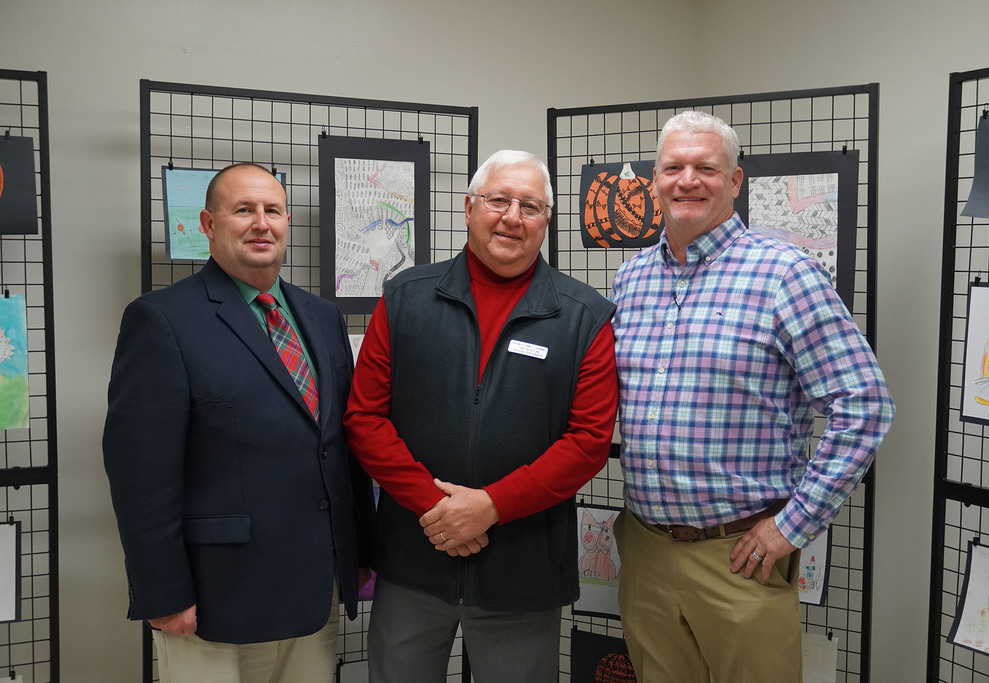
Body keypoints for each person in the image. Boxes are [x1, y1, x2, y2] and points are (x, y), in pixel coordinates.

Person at [611, 111, 895, 682]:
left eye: (706, 168)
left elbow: (864, 403)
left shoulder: (784, 274)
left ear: (735, 182)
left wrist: (794, 525)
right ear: (655, 180)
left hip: (740, 556)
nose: (687, 180)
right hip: (644, 548)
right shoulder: (632, 277)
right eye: (673, 167)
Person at [343, 150, 619, 683]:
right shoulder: (406, 298)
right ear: (469, 208)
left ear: (546, 221)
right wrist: (438, 508)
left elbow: (587, 441)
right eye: (499, 200)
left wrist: (491, 507)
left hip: (521, 567)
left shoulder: (584, 315)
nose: (513, 217)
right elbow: (365, 418)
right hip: (414, 558)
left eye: (531, 206)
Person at [103, 162, 374, 683]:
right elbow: (141, 475)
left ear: (287, 221)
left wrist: (357, 552)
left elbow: (342, 445)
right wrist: (163, 591)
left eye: (272, 210)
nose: (261, 223)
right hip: (214, 598)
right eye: (243, 210)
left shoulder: (322, 318)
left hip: (313, 588)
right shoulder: (162, 320)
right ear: (207, 223)